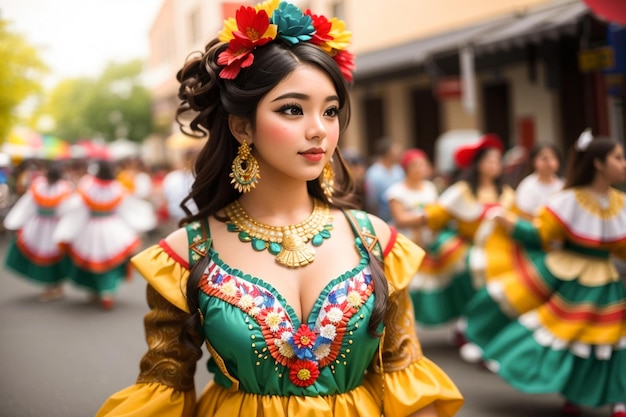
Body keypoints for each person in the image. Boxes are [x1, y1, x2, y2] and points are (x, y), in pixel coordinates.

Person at [95, 2, 463, 416]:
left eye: (330, 110)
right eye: (292, 109)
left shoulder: (376, 240)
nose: (318, 129)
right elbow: (163, 387)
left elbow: (405, 375)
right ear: (243, 126)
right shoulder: (185, 254)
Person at [465, 133, 626, 417]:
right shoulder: (568, 200)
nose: (624, 164)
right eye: (618, 158)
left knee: (613, 341)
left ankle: (618, 399)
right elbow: (541, 235)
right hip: (573, 278)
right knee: (570, 338)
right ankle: (574, 393)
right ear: (599, 164)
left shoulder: (620, 202)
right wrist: (510, 223)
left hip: (607, 282)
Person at [410, 135, 516, 349]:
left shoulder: (506, 193)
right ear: (478, 164)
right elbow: (438, 213)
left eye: (497, 161)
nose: (494, 165)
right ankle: (468, 324)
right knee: (471, 266)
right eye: (489, 161)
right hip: (470, 246)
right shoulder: (462, 190)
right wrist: (410, 219)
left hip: (501, 247)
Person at [53, 160, 156, 309]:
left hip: (91, 227)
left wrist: (66, 221)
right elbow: (127, 207)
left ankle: (97, 291)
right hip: (112, 227)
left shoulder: (88, 186)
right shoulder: (117, 187)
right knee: (110, 263)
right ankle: (107, 292)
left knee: (92, 261)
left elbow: (76, 206)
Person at [3, 162, 73, 301]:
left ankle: (55, 287)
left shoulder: (59, 187)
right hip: (43, 226)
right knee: (48, 256)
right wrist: (15, 221)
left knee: (53, 256)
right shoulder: (43, 186)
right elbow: (27, 205)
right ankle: (53, 286)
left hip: (50, 227)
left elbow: (68, 209)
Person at [385, 148, 438, 246]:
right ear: (406, 168)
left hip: (428, 240)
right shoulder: (396, 191)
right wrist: (426, 218)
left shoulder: (430, 187)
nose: (419, 169)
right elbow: (400, 219)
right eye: (414, 165)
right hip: (405, 240)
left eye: (422, 165)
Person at [513, 143, 564, 219]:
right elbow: (524, 214)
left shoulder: (562, 184)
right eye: (544, 158)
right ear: (533, 161)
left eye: (553, 158)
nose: (549, 162)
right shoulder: (527, 186)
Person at [363, 138, 404, 222]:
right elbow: (372, 202)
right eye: (395, 150)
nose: (399, 153)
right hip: (383, 218)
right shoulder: (374, 174)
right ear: (388, 153)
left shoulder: (398, 170)